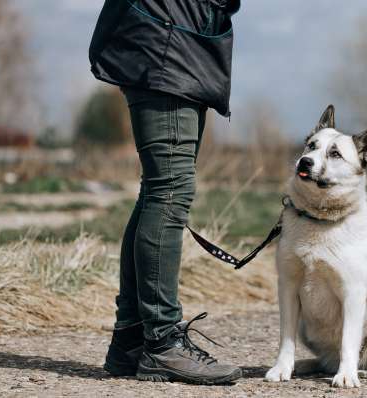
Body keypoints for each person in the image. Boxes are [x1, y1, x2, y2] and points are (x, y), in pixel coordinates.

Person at [88, 0, 242, 385]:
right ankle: (162, 342)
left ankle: (132, 340)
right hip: (166, 42)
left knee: (158, 191)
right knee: (170, 191)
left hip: (175, 42)